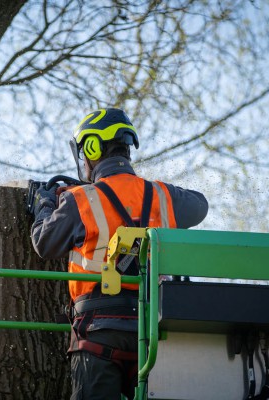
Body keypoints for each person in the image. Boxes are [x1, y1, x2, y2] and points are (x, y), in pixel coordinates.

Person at [31, 108, 208, 400]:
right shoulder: (161, 196)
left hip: (97, 331)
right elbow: (199, 206)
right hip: (153, 329)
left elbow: (44, 242)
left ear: (90, 148)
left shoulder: (80, 199)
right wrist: (154, 192)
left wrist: (45, 205)